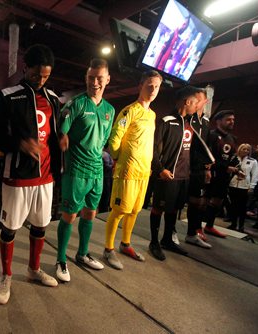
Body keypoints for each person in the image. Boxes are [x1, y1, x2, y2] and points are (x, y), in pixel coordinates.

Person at [0, 44, 61, 305]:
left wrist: (61, 141)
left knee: (41, 225)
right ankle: (6, 275)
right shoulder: (8, 95)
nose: (40, 80)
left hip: (46, 175)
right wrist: (19, 144)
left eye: (45, 76)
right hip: (18, 174)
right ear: (25, 68)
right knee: (10, 228)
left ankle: (33, 269)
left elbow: (54, 132)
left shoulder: (53, 98)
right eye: (35, 75)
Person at [56, 58, 115, 281]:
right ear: (86, 78)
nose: (95, 82)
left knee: (90, 213)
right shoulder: (76, 103)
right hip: (76, 170)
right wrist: (63, 138)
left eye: (100, 78)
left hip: (97, 171)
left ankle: (82, 254)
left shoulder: (109, 109)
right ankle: (61, 259)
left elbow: (104, 141)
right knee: (70, 215)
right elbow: (63, 130)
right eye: (91, 78)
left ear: (107, 79)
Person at [103, 70, 162, 269]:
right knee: (119, 210)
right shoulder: (129, 111)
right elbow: (115, 138)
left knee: (135, 211)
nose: (153, 90)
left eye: (157, 86)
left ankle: (125, 244)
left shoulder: (152, 115)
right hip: (127, 171)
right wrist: (120, 159)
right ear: (141, 86)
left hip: (144, 172)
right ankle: (108, 249)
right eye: (149, 85)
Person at [147, 86, 198, 261]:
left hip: (183, 177)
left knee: (174, 209)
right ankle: (154, 242)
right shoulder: (167, 121)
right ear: (187, 102)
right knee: (158, 208)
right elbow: (151, 147)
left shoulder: (191, 124)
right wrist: (160, 169)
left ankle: (167, 239)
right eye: (196, 102)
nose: (198, 106)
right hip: (166, 176)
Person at [185, 88, 215, 248]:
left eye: (198, 100)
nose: (195, 103)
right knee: (176, 202)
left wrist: (207, 169)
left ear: (205, 102)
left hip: (198, 170)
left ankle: (192, 233)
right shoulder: (186, 118)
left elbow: (207, 147)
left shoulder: (206, 122)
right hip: (183, 167)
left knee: (197, 201)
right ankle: (171, 234)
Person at [203, 110, 240, 238]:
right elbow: (207, 156)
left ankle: (209, 226)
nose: (232, 122)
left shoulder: (233, 138)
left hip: (224, 177)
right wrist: (225, 167)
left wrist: (237, 168)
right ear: (219, 121)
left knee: (218, 200)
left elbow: (233, 157)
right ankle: (196, 227)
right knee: (204, 201)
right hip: (211, 173)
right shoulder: (211, 135)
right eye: (228, 119)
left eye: (233, 119)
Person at [227, 144, 258, 233]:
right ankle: (233, 224)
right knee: (233, 205)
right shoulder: (234, 158)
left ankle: (241, 226)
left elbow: (255, 175)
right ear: (239, 149)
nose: (245, 151)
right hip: (233, 184)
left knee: (242, 207)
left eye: (247, 149)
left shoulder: (253, 161)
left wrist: (252, 186)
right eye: (243, 149)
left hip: (244, 186)